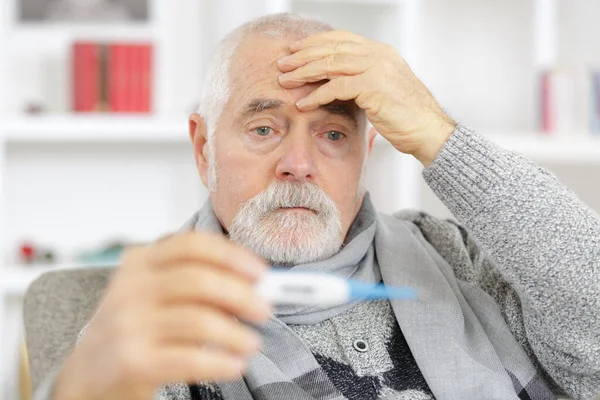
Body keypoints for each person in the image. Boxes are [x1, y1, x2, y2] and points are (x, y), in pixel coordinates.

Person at [40, 13, 599, 400]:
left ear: (366, 151)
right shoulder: (163, 313)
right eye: (263, 128)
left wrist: (438, 134)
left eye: (333, 134)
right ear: (204, 146)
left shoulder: (459, 257)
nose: (299, 163)